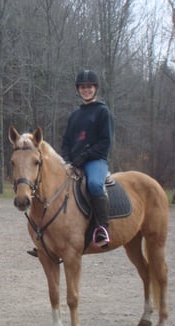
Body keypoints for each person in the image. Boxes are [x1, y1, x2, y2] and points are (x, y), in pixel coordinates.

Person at [61, 69, 114, 247]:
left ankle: (102, 227)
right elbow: (66, 140)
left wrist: (85, 156)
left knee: (94, 185)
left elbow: (105, 142)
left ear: (95, 88)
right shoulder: (75, 115)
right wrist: (67, 159)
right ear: (78, 89)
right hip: (74, 162)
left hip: (95, 161)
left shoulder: (102, 112)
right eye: (83, 87)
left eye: (89, 87)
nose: (86, 90)